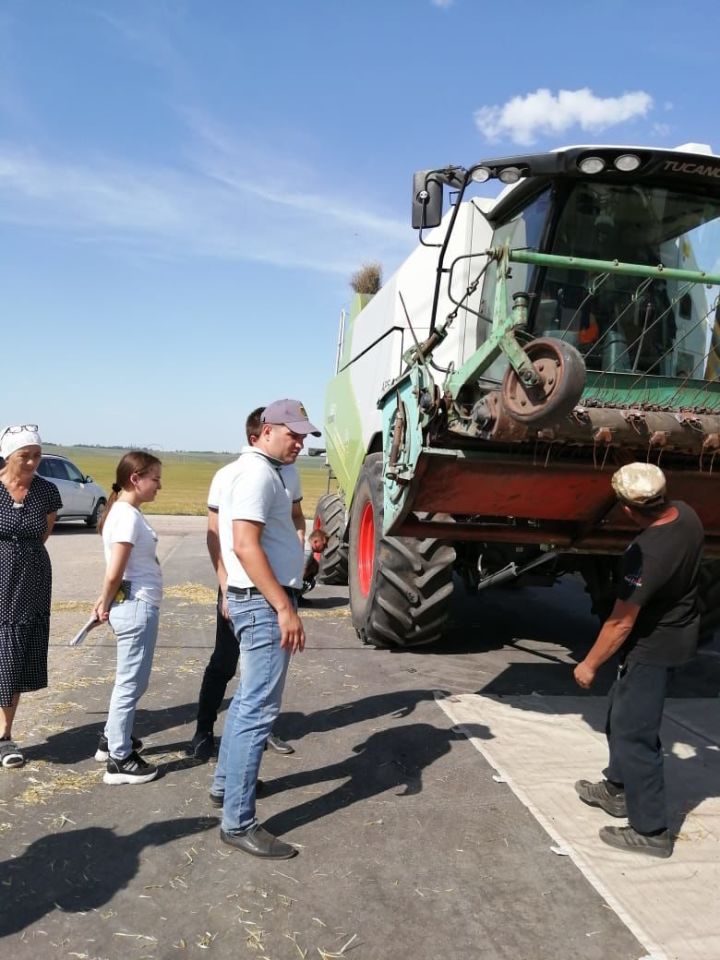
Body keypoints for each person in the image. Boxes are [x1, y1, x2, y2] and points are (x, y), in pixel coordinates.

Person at [573, 462, 704, 858]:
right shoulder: (687, 513)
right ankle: (617, 788)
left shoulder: (646, 553)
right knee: (620, 710)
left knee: (635, 735)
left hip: (654, 646)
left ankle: (651, 831)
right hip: (672, 631)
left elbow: (619, 623)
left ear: (628, 509)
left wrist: (589, 665)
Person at [212, 398, 320, 859]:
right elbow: (243, 544)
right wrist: (284, 607)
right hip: (262, 603)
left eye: (304, 435)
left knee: (246, 706)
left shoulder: (260, 471)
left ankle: (225, 787)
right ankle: (238, 822)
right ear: (267, 430)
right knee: (257, 711)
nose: (299, 442)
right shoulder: (258, 474)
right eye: (292, 433)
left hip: (258, 601)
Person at [186, 406, 305, 761]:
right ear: (258, 437)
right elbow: (217, 537)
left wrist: (299, 547)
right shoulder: (233, 475)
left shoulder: (288, 474)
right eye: (292, 436)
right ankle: (203, 731)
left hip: (273, 582)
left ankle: (260, 732)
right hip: (240, 586)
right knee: (224, 661)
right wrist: (224, 586)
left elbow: (295, 517)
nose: (298, 445)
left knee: (260, 676)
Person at [93, 452, 163, 785]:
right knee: (130, 683)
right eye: (155, 479)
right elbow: (115, 571)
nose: (159, 486)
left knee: (133, 681)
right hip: (136, 606)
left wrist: (105, 601)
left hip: (135, 604)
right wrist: (104, 601)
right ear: (135, 478)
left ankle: (112, 740)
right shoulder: (126, 516)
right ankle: (119, 759)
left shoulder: (125, 513)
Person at [0, 425, 62, 769]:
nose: (33, 462)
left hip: (30, 580)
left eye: (37, 455)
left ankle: (4, 736)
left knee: (15, 653)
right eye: (26, 456)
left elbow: (43, 533)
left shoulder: (46, 491)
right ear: (9, 455)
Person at [300, 527, 328, 600]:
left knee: (314, 565)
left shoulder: (303, 542)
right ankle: (294, 597)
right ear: (315, 541)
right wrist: (309, 572)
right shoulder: (308, 551)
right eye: (324, 544)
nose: (326, 547)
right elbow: (301, 573)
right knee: (310, 583)